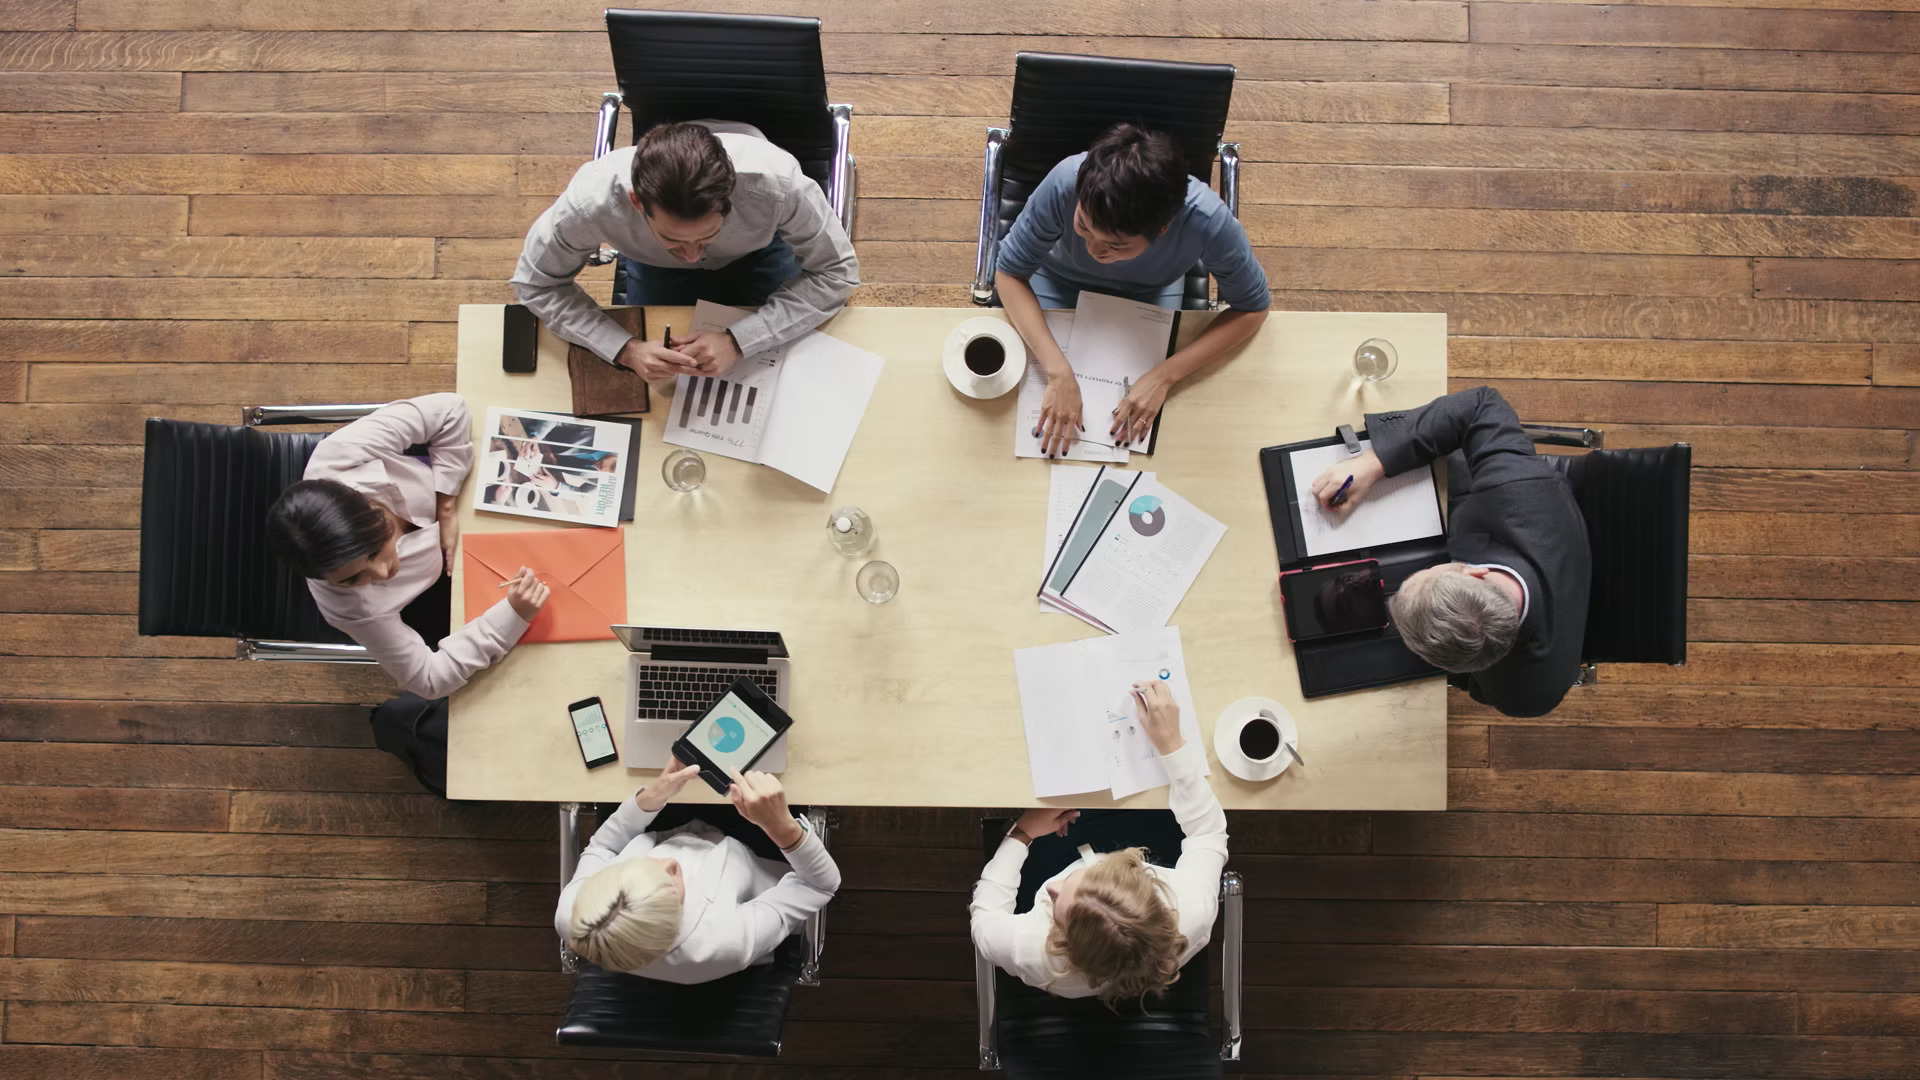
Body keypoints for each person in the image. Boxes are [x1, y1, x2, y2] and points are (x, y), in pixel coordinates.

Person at [1309, 385, 1591, 718]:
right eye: (1428, 573)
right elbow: (1482, 404)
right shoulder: (1518, 492)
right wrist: (1375, 461)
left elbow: (1472, 684)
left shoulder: (1527, 697)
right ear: (1474, 572)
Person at [994, 123, 1271, 456]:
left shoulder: (1206, 219)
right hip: (1059, 278)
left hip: (1149, 292)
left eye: (1115, 244)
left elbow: (1254, 308)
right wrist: (1057, 370)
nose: (1095, 250)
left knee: (1164, 434)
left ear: (1164, 228)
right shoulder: (1067, 180)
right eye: (1083, 225)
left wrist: (1165, 376)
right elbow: (1009, 272)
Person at [512, 120, 859, 383]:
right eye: (674, 239)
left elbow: (836, 272)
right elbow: (535, 284)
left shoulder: (778, 186)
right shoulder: (591, 202)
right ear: (636, 202)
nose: (692, 256)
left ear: (731, 198)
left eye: (707, 236)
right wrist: (624, 348)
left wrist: (739, 342)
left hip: (759, 252)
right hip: (655, 268)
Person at [265, 393, 551, 699]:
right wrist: (511, 616)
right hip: (458, 587)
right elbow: (429, 679)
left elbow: (449, 409)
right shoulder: (345, 606)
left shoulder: (339, 455)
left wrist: (446, 507)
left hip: (470, 497)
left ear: (369, 506)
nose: (383, 573)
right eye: (351, 579)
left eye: (375, 550)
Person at [970, 681, 1228, 1005]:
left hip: (1051, 849)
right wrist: (1172, 744)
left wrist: (1021, 832)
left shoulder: (1034, 953)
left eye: (1058, 913)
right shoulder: (1192, 906)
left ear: (1065, 944)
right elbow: (1207, 832)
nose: (1052, 889)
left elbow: (984, 922)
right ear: (1132, 868)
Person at [556, 758, 840, 984]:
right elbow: (820, 885)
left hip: (669, 831)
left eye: (638, 866)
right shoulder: (726, 940)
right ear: (678, 919)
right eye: (669, 884)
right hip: (747, 849)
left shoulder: (577, 912)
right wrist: (782, 827)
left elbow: (601, 848)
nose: (667, 862)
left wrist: (650, 798)